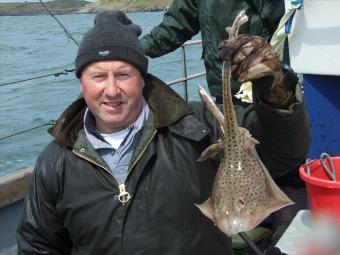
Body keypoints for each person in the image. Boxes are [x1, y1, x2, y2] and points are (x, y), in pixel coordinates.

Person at [17, 10, 310, 255]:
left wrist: (275, 88)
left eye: (123, 75)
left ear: (143, 79)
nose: (111, 90)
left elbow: (284, 151)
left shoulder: (197, 125)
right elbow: (38, 245)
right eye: (97, 76)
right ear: (82, 82)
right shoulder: (55, 162)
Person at [140, 0, 287, 104]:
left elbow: (284, 26)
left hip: (260, 88)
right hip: (221, 90)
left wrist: (276, 76)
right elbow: (174, 27)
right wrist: (133, 46)